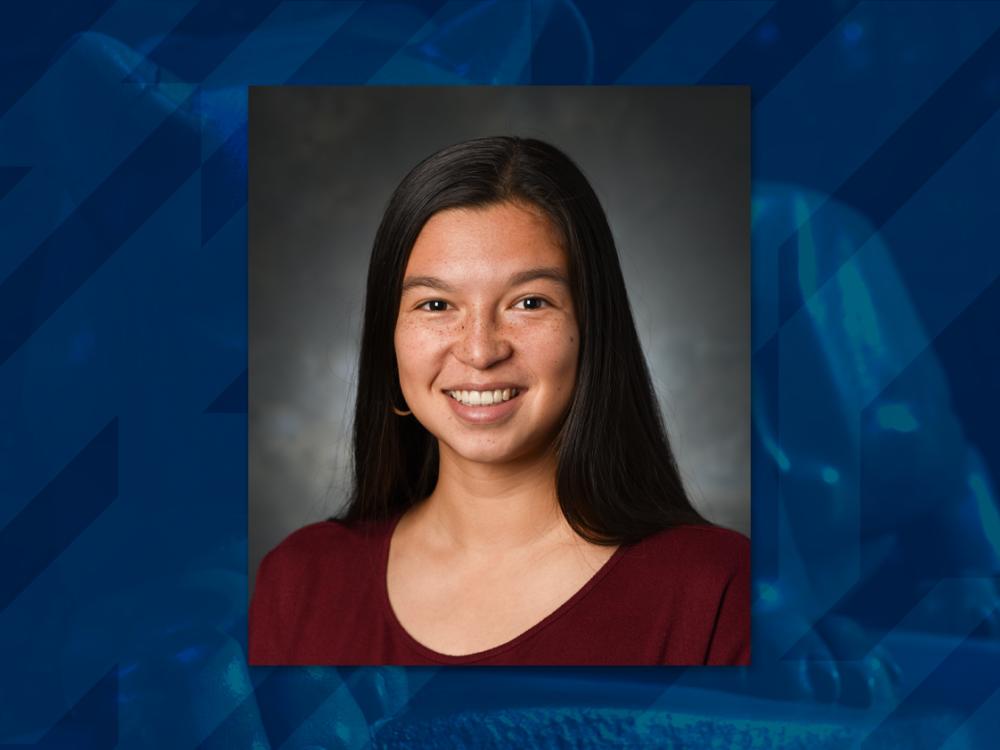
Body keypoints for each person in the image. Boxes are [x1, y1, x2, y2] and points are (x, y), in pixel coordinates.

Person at [249, 136, 749, 665]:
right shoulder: (299, 581)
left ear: (593, 328)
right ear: (388, 338)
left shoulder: (718, 590)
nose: (481, 350)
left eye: (529, 302)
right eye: (436, 304)